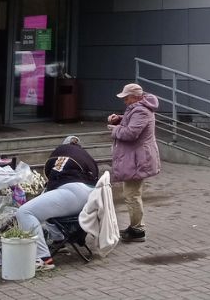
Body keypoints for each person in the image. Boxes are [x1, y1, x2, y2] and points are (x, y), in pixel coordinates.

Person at [15, 134, 100, 271]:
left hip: (71, 191)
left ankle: (43, 258)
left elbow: (50, 179)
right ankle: (59, 240)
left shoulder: (59, 154)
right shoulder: (85, 155)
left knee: (25, 212)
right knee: (47, 207)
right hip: (91, 196)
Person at [107, 82, 160, 243]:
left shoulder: (141, 110)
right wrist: (119, 119)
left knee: (132, 195)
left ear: (136, 97)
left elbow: (131, 133)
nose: (124, 101)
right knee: (132, 193)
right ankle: (136, 227)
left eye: (127, 98)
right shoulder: (138, 108)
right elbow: (132, 123)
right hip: (136, 158)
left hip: (138, 159)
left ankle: (138, 230)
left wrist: (115, 129)